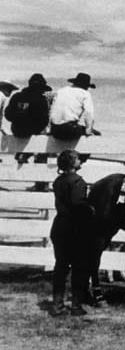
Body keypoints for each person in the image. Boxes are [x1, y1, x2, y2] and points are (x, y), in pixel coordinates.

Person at [50, 150, 94, 316]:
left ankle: (57, 304)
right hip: (75, 228)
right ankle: (76, 305)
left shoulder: (58, 181)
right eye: (77, 159)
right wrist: (90, 209)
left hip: (59, 226)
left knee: (60, 266)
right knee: (79, 267)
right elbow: (78, 204)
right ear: (72, 162)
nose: (80, 161)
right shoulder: (78, 181)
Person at [50, 72, 99, 140]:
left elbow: (51, 108)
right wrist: (88, 130)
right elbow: (89, 113)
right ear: (86, 86)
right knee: (96, 133)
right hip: (70, 130)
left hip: (54, 130)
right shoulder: (85, 94)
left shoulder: (61, 91)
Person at [4, 73, 51, 138]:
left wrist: (19, 119)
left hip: (16, 130)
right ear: (41, 88)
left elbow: (8, 115)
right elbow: (45, 120)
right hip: (34, 131)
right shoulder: (41, 99)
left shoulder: (16, 96)